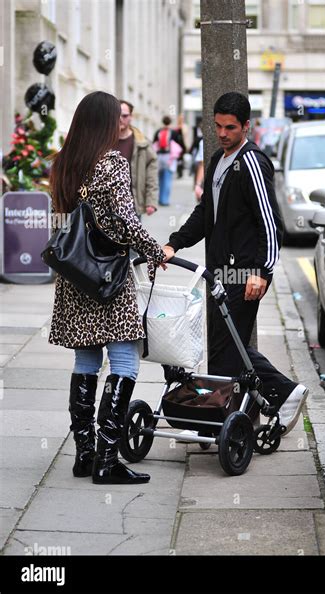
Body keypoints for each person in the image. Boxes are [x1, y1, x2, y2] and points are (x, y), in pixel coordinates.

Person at [162, 92, 308, 436]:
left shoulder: (253, 162)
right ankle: (223, 421)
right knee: (224, 350)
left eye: (230, 127)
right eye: (217, 126)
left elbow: (270, 221)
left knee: (231, 349)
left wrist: (262, 271)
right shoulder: (217, 160)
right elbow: (204, 214)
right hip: (219, 273)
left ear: (246, 126)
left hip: (245, 274)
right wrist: (174, 243)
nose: (223, 133)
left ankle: (285, 392)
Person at [48, 91, 166, 484]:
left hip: (74, 276)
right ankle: (107, 460)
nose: (122, 123)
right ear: (102, 122)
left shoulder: (64, 163)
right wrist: (154, 251)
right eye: (116, 117)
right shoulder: (111, 162)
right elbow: (124, 222)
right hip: (107, 277)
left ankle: (85, 455)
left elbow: (61, 224)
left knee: (85, 363)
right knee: (125, 363)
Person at [115, 100, 158, 218]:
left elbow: (152, 173)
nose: (120, 119)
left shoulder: (142, 143)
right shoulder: (104, 142)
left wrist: (151, 201)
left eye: (124, 115)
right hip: (108, 203)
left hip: (132, 203)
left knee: (132, 236)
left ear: (131, 117)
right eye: (116, 115)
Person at [153, 116, 182, 206]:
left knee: (160, 178)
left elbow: (154, 142)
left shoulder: (158, 131)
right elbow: (179, 144)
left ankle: (160, 198)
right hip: (169, 157)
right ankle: (164, 200)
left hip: (159, 156)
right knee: (167, 178)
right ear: (170, 122)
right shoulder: (173, 132)